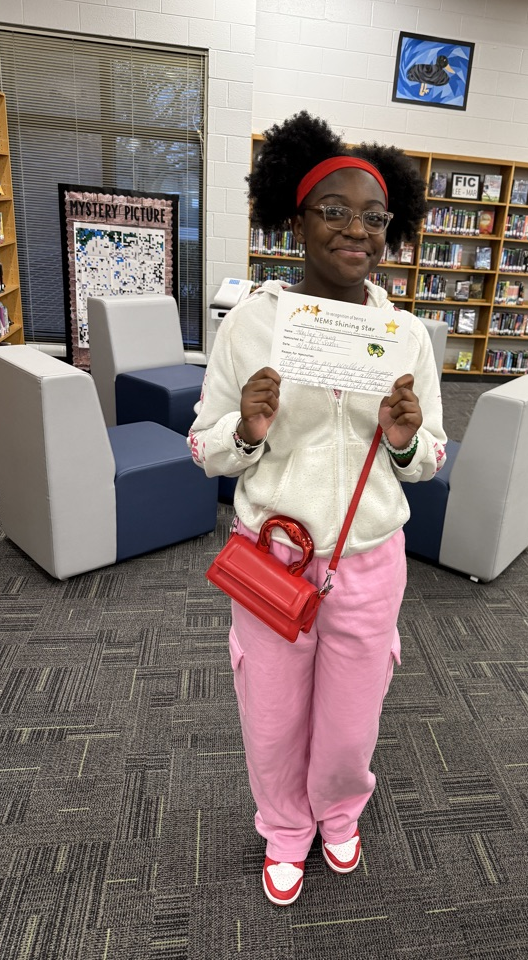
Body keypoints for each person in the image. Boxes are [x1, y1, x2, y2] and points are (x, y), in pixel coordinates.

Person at [188, 110, 446, 906]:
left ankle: (339, 811)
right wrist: (247, 430)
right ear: (295, 221)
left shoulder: (405, 335)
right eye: (334, 211)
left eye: (374, 218)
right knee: (271, 714)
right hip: (273, 555)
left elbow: (431, 459)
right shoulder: (250, 325)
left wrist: (405, 440)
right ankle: (284, 827)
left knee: (351, 719)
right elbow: (203, 447)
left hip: (369, 561)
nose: (356, 230)